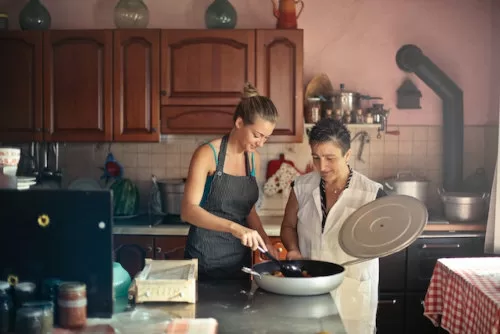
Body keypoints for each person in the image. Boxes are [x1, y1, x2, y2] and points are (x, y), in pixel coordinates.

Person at [280, 118, 386, 333]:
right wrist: (293, 249)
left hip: (352, 290)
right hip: (309, 287)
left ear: (347, 155)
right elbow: (288, 227)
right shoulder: (301, 186)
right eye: (316, 158)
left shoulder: (372, 193)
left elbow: (385, 241)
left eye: (330, 158)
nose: (322, 167)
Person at [181, 82, 280, 281]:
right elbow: (188, 211)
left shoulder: (253, 158)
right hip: (204, 261)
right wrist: (234, 227)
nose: (260, 143)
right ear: (239, 123)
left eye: (266, 138)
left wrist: (266, 242)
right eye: (257, 135)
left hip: (239, 264)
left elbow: (248, 210)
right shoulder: (208, 154)